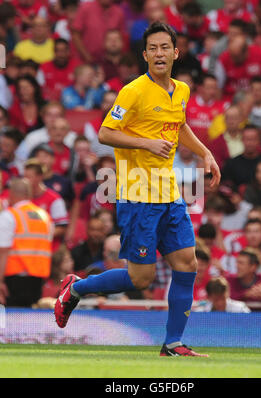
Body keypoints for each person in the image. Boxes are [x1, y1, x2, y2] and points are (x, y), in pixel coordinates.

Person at [54, 21, 221, 357]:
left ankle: (173, 343)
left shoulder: (182, 90)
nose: (159, 54)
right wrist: (145, 143)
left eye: (165, 48)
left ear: (175, 53)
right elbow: (105, 133)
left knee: (187, 263)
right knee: (140, 278)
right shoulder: (132, 91)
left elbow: (180, 124)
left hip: (170, 194)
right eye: (153, 48)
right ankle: (75, 289)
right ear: (145, 55)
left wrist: (205, 152)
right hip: (138, 196)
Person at [0, 178, 53, 306]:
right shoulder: (45, 216)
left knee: (10, 321)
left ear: (11, 194)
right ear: (29, 195)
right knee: (29, 321)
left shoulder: (10, 216)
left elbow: (3, 251)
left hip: (13, 280)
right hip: (37, 280)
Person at [23, 159, 69, 249]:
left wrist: (40, 236)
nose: (25, 180)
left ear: (39, 177)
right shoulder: (23, 198)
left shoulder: (54, 199)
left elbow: (62, 227)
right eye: (24, 176)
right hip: (27, 249)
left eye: (29, 177)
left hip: (48, 250)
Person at [71, 0, 126, 64]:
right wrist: (87, 57)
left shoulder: (118, 12)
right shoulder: (86, 8)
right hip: (85, 62)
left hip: (111, 63)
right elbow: (75, 35)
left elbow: (121, 38)